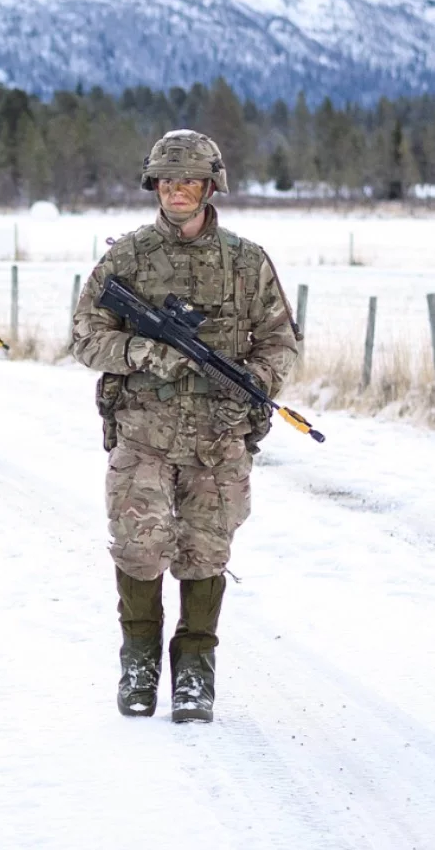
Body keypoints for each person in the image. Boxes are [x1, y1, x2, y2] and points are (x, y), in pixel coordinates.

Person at [70, 130, 300, 723]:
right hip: (143, 429)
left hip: (219, 437)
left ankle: (195, 673)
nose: (177, 192)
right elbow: (86, 338)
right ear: (155, 185)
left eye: (189, 182)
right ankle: (140, 662)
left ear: (209, 186)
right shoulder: (127, 258)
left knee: (205, 552)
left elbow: (281, 345)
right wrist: (147, 353)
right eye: (168, 181)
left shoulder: (246, 262)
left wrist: (250, 387)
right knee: (140, 546)